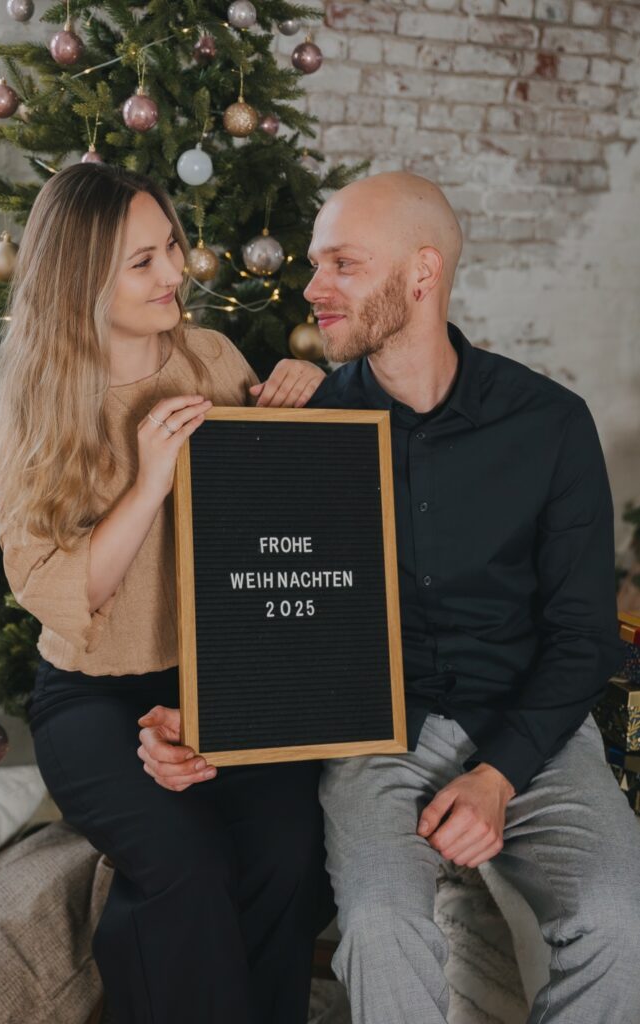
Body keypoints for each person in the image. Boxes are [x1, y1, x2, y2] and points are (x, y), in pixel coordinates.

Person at [0, 161, 331, 1024]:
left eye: (171, 245)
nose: (176, 271)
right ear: (81, 278)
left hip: (224, 677)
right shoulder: (35, 406)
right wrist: (148, 482)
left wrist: (311, 404)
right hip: (92, 695)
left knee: (290, 854)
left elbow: (283, 513)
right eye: (143, 261)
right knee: (185, 867)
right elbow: (53, 591)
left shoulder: (211, 357)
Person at [302, 171, 640, 1024]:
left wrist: (498, 776)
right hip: (374, 734)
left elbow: (584, 635)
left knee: (620, 921)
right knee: (378, 926)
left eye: (342, 264)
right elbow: (267, 608)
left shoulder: (549, 423)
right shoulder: (303, 430)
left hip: (533, 728)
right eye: (313, 264)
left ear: (421, 273)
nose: (313, 288)